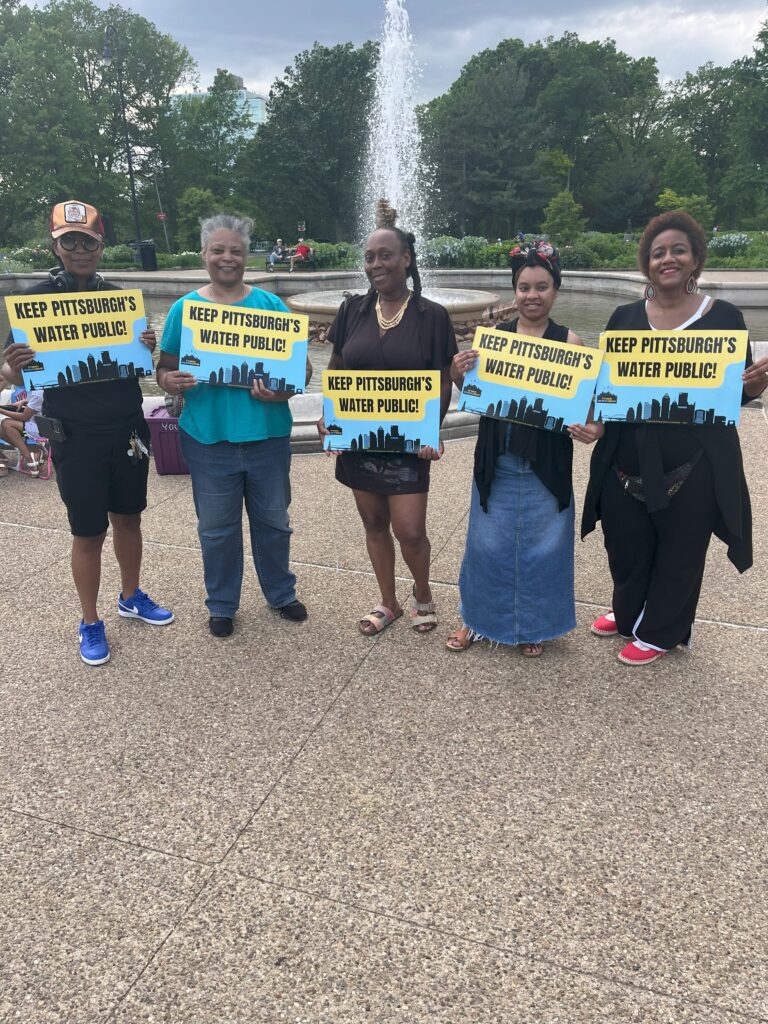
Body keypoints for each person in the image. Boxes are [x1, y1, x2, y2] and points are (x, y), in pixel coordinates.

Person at [579, 210, 768, 666]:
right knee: (625, 546)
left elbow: (730, 394)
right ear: (647, 262)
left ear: (695, 258)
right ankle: (630, 615)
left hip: (695, 464)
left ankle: (660, 632)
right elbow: (609, 393)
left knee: (680, 552)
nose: (668, 258)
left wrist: (755, 388)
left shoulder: (723, 317)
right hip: (624, 460)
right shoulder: (623, 316)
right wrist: (596, 424)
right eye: (658, 252)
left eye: (678, 250)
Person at [2, 200, 172, 667]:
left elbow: (143, 371)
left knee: (130, 518)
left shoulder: (120, 299)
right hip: (74, 436)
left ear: (100, 245)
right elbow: (15, 379)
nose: (79, 249)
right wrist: (12, 369)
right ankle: (89, 619)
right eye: (69, 241)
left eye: (88, 241)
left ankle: (131, 595)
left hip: (125, 430)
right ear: (56, 246)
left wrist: (146, 348)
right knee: (87, 533)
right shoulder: (33, 302)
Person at [158, 213, 310, 638]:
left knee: (275, 523)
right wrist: (172, 381)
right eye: (218, 250)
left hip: (267, 436)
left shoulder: (270, 306)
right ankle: (222, 604)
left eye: (236, 251)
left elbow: (301, 371)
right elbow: (165, 368)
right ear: (204, 254)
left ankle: (280, 593)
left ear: (248, 257)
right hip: (208, 438)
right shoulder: (184, 309)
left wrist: (280, 392)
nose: (228, 258)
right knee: (217, 528)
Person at [447, 241, 597, 657]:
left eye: (542, 287)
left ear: (555, 290)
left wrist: (591, 428)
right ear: (514, 290)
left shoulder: (571, 341)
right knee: (485, 545)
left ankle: (533, 626)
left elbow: (586, 404)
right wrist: (460, 374)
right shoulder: (493, 340)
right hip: (497, 457)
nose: (532, 295)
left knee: (544, 548)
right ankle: (475, 619)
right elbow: (476, 396)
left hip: (545, 462)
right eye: (524, 287)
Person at [317, 201, 457, 635]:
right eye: (370, 257)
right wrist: (328, 415)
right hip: (359, 441)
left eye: (385, 255)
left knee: (410, 530)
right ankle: (388, 601)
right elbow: (337, 369)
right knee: (374, 523)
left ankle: (422, 592)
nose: (376, 264)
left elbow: (443, 380)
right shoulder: (352, 310)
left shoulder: (431, 316)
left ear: (406, 259)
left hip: (408, 443)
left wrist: (432, 428)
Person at [0, 390, 44, 475]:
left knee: (7, 423)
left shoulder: (39, 393)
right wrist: (26, 402)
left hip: (42, 428)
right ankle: (33, 450)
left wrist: (1, 411)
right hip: (35, 424)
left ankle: (28, 457)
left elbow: (24, 417)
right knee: (1, 428)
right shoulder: (39, 391)